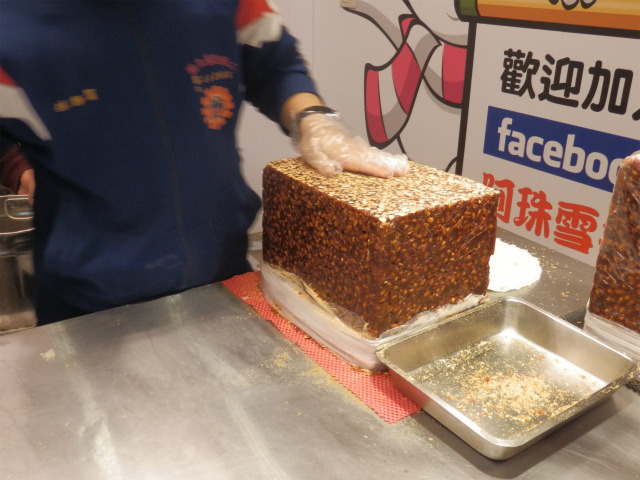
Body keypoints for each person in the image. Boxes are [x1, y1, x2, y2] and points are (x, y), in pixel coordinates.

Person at [0, 0, 408, 325]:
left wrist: (313, 120)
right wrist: (15, 161)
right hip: (87, 306)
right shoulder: (12, 20)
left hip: (223, 276)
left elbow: (273, 62)